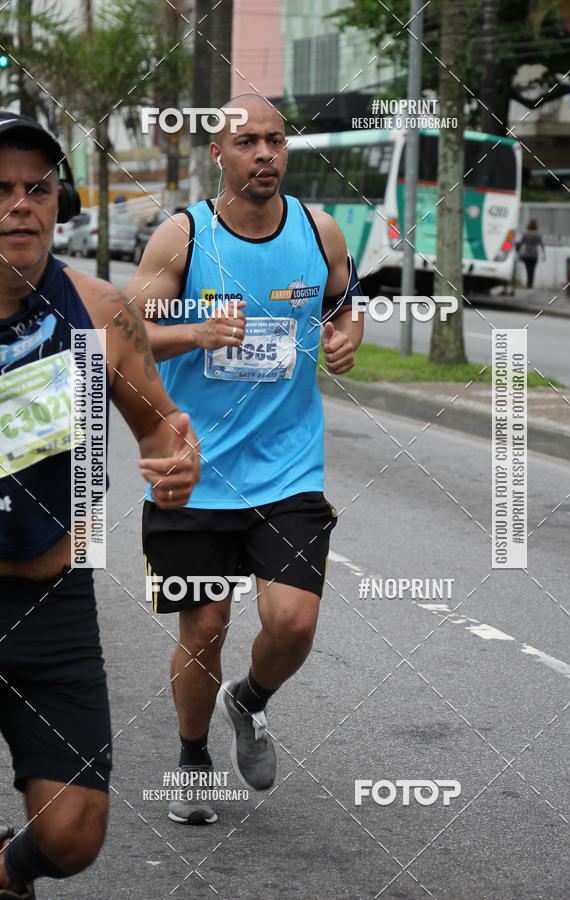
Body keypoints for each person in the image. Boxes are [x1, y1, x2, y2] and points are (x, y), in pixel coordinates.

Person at [126, 94, 364, 825]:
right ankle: (194, 757)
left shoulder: (319, 230)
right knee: (205, 631)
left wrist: (346, 332)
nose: (265, 154)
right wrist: (194, 330)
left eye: (276, 141)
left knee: (292, 624)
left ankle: (249, 701)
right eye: (248, 142)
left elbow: (342, 300)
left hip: (288, 469)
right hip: (193, 470)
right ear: (218, 157)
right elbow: (122, 333)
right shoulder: (182, 238)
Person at [0, 112, 200, 898]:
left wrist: (178, 463)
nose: (20, 204)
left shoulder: (101, 312)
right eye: (1, 189)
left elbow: (161, 426)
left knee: (75, 834)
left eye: (37, 188)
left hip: (54, 599)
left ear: (60, 201)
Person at [518, 218, 545, 289]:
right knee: (532, 270)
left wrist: (518, 252)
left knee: (528, 269)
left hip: (526, 254)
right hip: (534, 254)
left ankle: (528, 284)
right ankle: (530, 284)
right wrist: (544, 255)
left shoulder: (525, 234)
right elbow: (542, 244)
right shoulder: (538, 235)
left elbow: (521, 243)